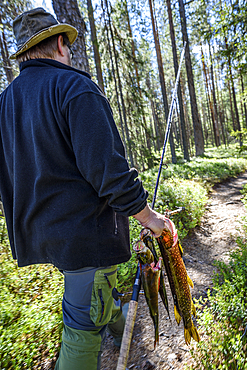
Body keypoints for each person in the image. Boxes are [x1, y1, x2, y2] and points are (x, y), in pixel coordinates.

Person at [0, 7, 176, 370]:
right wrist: (149, 217)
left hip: (42, 235)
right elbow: (108, 172)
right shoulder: (75, 87)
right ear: (61, 43)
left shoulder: (5, 102)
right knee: (81, 327)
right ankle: (102, 323)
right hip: (84, 236)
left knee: (96, 289)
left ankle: (116, 318)